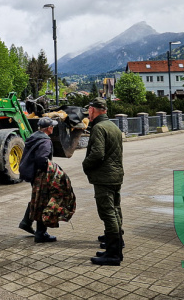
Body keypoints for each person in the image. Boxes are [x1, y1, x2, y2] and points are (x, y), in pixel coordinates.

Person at [82, 97, 124, 266]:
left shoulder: (99, 128)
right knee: (115, 209)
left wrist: (85, 165)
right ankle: (116, 246)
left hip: (104, 177)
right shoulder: (113, 126)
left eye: (89, 110)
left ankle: (113, 254)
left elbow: (98, 154)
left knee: (107, 212)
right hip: (116, 176)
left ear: (93, 110)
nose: (88, 113)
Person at [18, 116, 58, 243]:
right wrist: (53, 169)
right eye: (53, 126)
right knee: (43, 202)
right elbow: (41, 159)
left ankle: (26, 222)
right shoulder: (45, 141)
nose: (53, 128)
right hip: (40, 175)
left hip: (32, 174)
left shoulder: (34, 137)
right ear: (49, 128)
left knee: (37, 198)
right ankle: (41, 233)